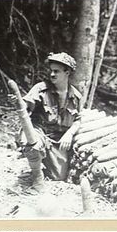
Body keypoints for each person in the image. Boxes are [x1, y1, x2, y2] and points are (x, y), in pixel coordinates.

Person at [12, 52, 82, 192]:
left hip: (57, 139)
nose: (52, 74)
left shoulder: (76, 96)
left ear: (67, 72)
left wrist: (69, 134)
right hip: (38, 131)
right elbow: (26, 107)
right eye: (50, 71)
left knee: (59, 176)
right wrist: (18, 103)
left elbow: (78, 120)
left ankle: (41, 159)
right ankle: (37, 177)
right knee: (33, 144)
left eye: (56, 71)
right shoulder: (41, 89)